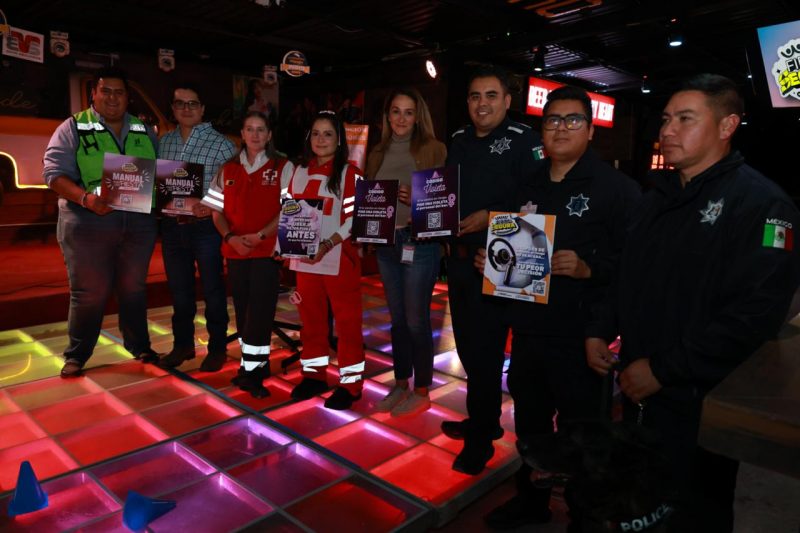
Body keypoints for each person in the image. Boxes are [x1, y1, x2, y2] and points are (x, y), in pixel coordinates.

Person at [585, 74, 800, 532]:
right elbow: (625, 274)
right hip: (640, 390)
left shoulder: (762, 205)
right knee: (642, 505)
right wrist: (600, 328)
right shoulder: (654, 200)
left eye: (685, 119)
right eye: (666, 119)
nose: (667, 130)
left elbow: (753, 317)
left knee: (695, 512)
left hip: (701, 401)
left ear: (727, 126)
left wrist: (664, 370)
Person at [477, 86, 640, 530]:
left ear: (590, 129)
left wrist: (589, 268)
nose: (561, 128)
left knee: (583, 434)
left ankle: (585, 517)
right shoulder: (526, 184)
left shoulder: (617, 190)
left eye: (572, 120)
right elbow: (510, 249)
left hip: (580, 335)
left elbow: (634, 266)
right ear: (542, 130)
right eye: (552, 120)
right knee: (531, 426)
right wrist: (491, 261)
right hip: (529, 332)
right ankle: (531, 503)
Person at [441, 65, 546, 475]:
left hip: (501, 263)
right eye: (474, 96)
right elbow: (446, 194)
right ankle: (481, 420)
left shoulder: (525, 141)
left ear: (507, 100)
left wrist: (490, 217)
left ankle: (482, 438)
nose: (481, 104)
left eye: (490, 95)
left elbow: (538, 204)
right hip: (460, 263)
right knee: (468, 350)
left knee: (487, 353)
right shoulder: (459, 139)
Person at [43, 67, 160, 378]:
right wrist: (86, 199)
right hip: (87, 222)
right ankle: (77, 355)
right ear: (93, 93)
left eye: (119, 92)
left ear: (128, 97)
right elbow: (53, 174)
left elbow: (160, 173)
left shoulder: (144, 129)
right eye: (105, 91)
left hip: (138, 225)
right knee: (89, 292)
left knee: (133, 288)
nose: (112, 98)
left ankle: (139, 345)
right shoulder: (73, 127)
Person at [365, 88, 447, 417]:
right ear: (387, 116)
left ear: (418, 117)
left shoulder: (433, 149)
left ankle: (422, 391)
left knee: (416, 321)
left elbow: (443, 201)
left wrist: (416, 200)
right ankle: (401, 384)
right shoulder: (376, 152)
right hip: (386, 243)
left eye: (408, 112)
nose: (401, 118)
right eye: (395, 111)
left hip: (419, 242)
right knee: (397, 320)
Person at [202, 111, 294, 397]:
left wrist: (261, 235)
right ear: (241, 134)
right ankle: (256, 365)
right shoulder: (227, 169)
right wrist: (230, 238)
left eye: (261, 129)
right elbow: (215, 212)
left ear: (269, 135)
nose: (255, 135)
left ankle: (251, 374)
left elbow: (289, 209)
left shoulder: (283, 166)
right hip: (236, 249)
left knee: (260, 312)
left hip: (267, 250)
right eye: (249, 129)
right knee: (243, 312)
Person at [287, 110, 365, 411]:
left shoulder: (350, 173)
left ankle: (351, 384)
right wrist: (285, 244)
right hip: (305, 260)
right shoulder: (298, 171)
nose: (321, 140)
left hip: (339, 258)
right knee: (310, 321)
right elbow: (290, 212)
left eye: (328, 134)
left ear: (339, 140)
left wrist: (330, 242)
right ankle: (314, 376)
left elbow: (355, 218)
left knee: (347, 324)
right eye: (316, 133)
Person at [157, 84, 236, 372]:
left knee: (213, 290)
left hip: (205, 228)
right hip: (171, 226)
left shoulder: (223, 145)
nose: (186, 108)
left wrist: (212, 204)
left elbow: (233, 187)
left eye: (193, 103)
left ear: (202, 109)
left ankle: (217, 348)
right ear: (173, 108)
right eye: (180, 103)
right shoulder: (164, 143)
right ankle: (182, 345)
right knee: (179, 291)